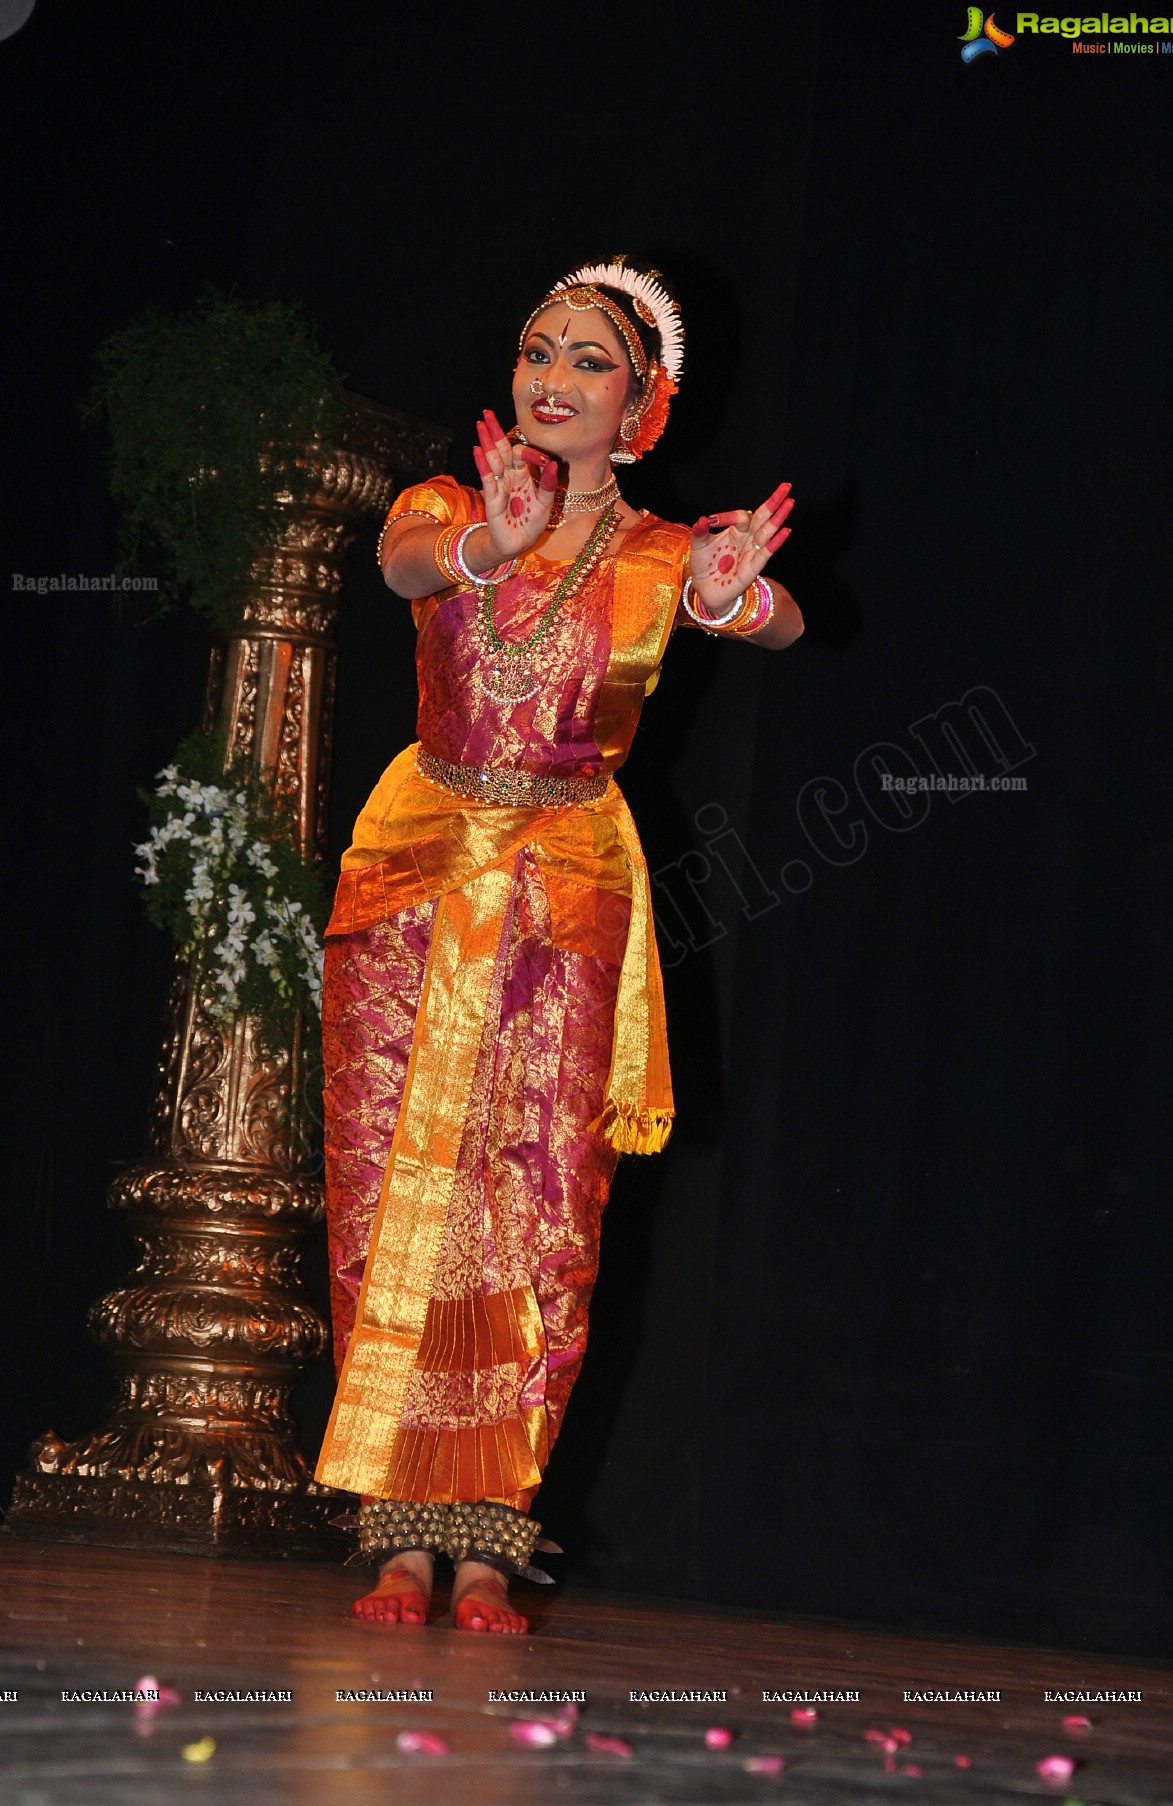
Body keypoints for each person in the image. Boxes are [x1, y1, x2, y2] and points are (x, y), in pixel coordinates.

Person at [314, 260, 803, 1634]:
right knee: (390, 1187)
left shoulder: (658, 553)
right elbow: (405, 562)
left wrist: (735, 596)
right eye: (540, 349)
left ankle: (489, 1538)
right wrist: (489, 544)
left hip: (566, 881)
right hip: (417, 865)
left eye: (591, 360)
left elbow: (772, 618)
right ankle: (397, 1533)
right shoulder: (449, 504)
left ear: (642, 405)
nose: (554, 375)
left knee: (537, 1205)